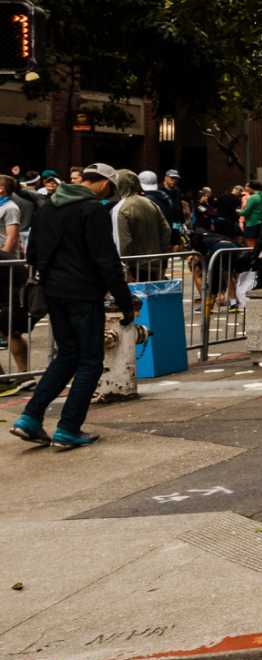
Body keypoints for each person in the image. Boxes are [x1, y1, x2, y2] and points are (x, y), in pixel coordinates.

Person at [10, 163, 137, 450]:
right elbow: (106, 260)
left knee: (67, 355)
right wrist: (124, 301)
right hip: (83, 293)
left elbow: (33, 253)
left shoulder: (47, 208)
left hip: (53, 292)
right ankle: (68, 427)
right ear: (104, 184)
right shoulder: (92, 211)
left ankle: (30, 417)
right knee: (90, 361)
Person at [110, 169, 173, 279]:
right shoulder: (150, 203)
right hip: (153, 265)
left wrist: (125, 271)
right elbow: (166, 231)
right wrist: (161, 259)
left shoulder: (120, 209)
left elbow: (122, 243)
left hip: (133, 269)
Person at [0, 173, 28, 381]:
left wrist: (4, 261)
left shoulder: (10, 208)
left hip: (5, 268)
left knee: (11, 328)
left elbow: (11, 237)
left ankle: (23, 373)